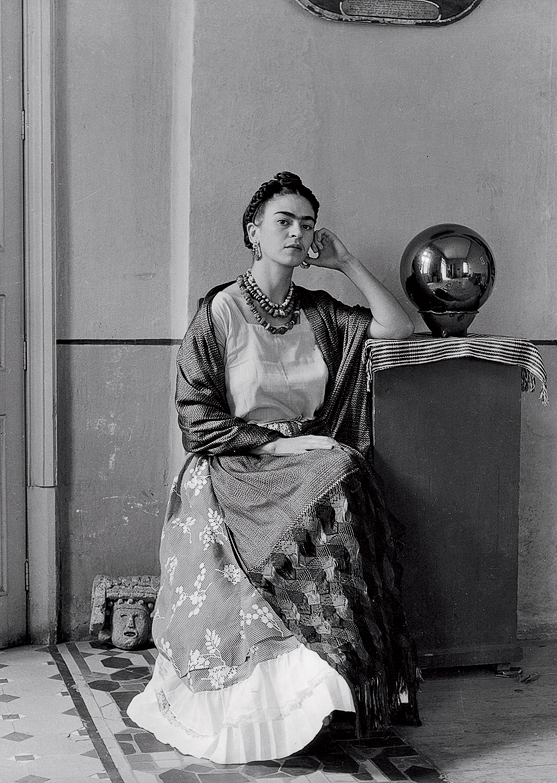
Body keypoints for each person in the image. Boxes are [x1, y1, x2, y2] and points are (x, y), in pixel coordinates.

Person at [127, 171, 420, 763]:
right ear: (253, 232)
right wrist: (280, 445)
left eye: (307, 224)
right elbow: (196, 415)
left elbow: (397, 327)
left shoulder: (321, 312)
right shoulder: (221, 310)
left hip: (312, 462)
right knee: (339, 471)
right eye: (283, 221)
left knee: (346, 474)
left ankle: (336, 684)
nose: (296, 232)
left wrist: (347, 264)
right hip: (240, 461)